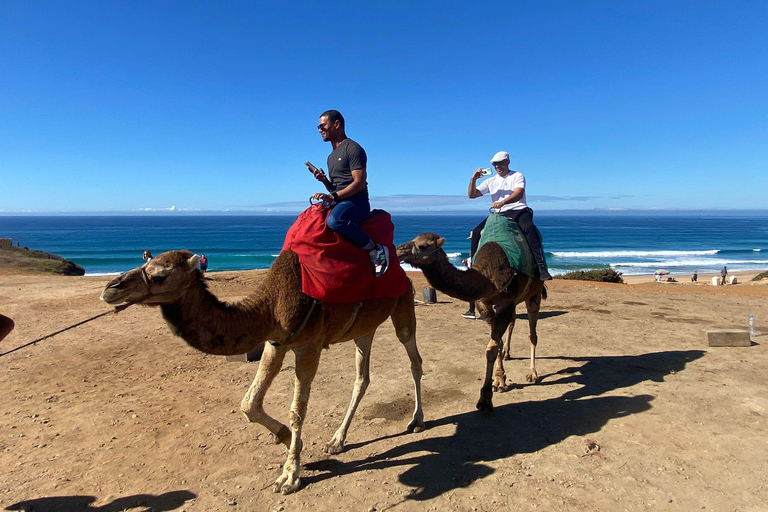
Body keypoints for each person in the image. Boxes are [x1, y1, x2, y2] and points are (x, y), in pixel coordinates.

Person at [307, 109, 389, 276]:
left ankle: (375, 249)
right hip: (339, 200)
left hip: (356, 202)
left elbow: (358, 184)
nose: (319, 129)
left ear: (336, 124)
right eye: (318, 126)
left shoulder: (353, 149)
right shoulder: (331, 157)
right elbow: (336, 188)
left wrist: (333, 196)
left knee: (335, 221)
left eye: (323, 126)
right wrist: (324, 182)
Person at [468, 151, 552, 281]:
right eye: (495, 164)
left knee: (529, 228)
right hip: (499, 213)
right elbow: (472, 195)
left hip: (518, 210)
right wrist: (473, 179)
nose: (497, 167)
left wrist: (503, 202)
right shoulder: (491, 181)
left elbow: (519, 193)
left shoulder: (517, 176)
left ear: (507, 162)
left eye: (500, 163)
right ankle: (474, 268)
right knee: (476, 232)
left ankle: (540, 267)